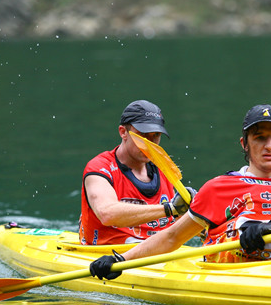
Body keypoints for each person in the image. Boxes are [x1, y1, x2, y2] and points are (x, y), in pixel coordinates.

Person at [90, 104, 271, 279]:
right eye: (259, 138)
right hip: (237, 275)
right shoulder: (218, 188)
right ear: (245, 144)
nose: (269, 146)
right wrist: (121, 260)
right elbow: (172, 238)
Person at [79, 100, 193, 245]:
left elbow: (180, 224)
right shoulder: (100, 168)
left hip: (159, 251)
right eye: (142, 135)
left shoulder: (165, 169)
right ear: (123, 132)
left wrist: (194, 212)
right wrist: (170, 209)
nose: (149, 143)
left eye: (156, 135)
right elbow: (107, 214)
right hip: (106, 253)